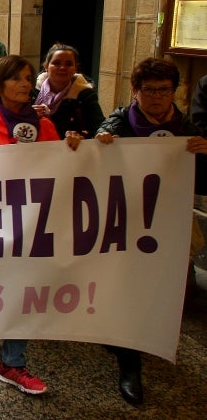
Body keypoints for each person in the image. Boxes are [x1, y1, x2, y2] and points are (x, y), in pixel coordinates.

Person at [0, 55, 72, 396]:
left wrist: (81, 150)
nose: (27, 84)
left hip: (32, 224)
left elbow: (62, 170)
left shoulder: (45, 127)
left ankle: (13, 362)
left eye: (28, 78)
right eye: (18, 79)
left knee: (20, 288)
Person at [94, 57, 207, 405]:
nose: (157, 97)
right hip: (125, 223)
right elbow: (88, 167)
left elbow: (198, 183)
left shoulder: (186, 130)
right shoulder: (118, 125)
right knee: (129, 290)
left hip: (167, 227)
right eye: (149, 91)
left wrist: (204, 156)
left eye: (165, 91)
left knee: (168, 289)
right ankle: (131, 365)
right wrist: (97, 145)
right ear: (135, 91)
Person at [32, 43, 105, 140]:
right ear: (46, 66)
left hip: (70, 151)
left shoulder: (85, 96)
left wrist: (83, 136)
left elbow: (99, 126)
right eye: (56, 63)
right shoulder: (31, 92)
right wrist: (28, 114)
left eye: (69, 64)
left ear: (75, 69)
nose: (62, 68)